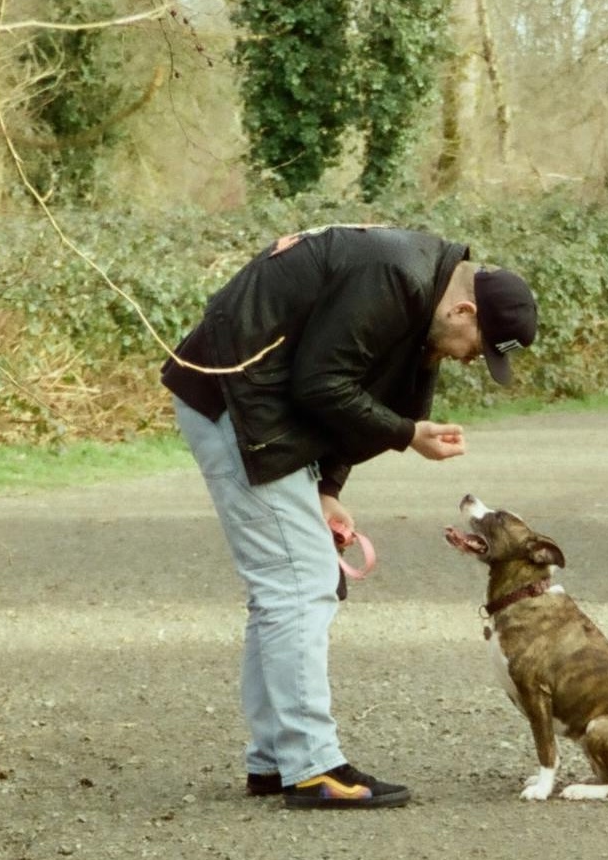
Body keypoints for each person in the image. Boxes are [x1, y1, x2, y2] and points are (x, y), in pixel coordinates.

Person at [160, 224, 537, 810]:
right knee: (301, 584)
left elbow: (370, 396)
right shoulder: (394, 276)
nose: (468, 360)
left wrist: (327, 489)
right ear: (464, 309)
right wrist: (409, 435)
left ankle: (276, 759)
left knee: (283, 588)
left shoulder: (422, 295)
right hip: (235, 398)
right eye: (477, 347)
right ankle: (312, 767)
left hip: (254, 398)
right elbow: (322, 384)